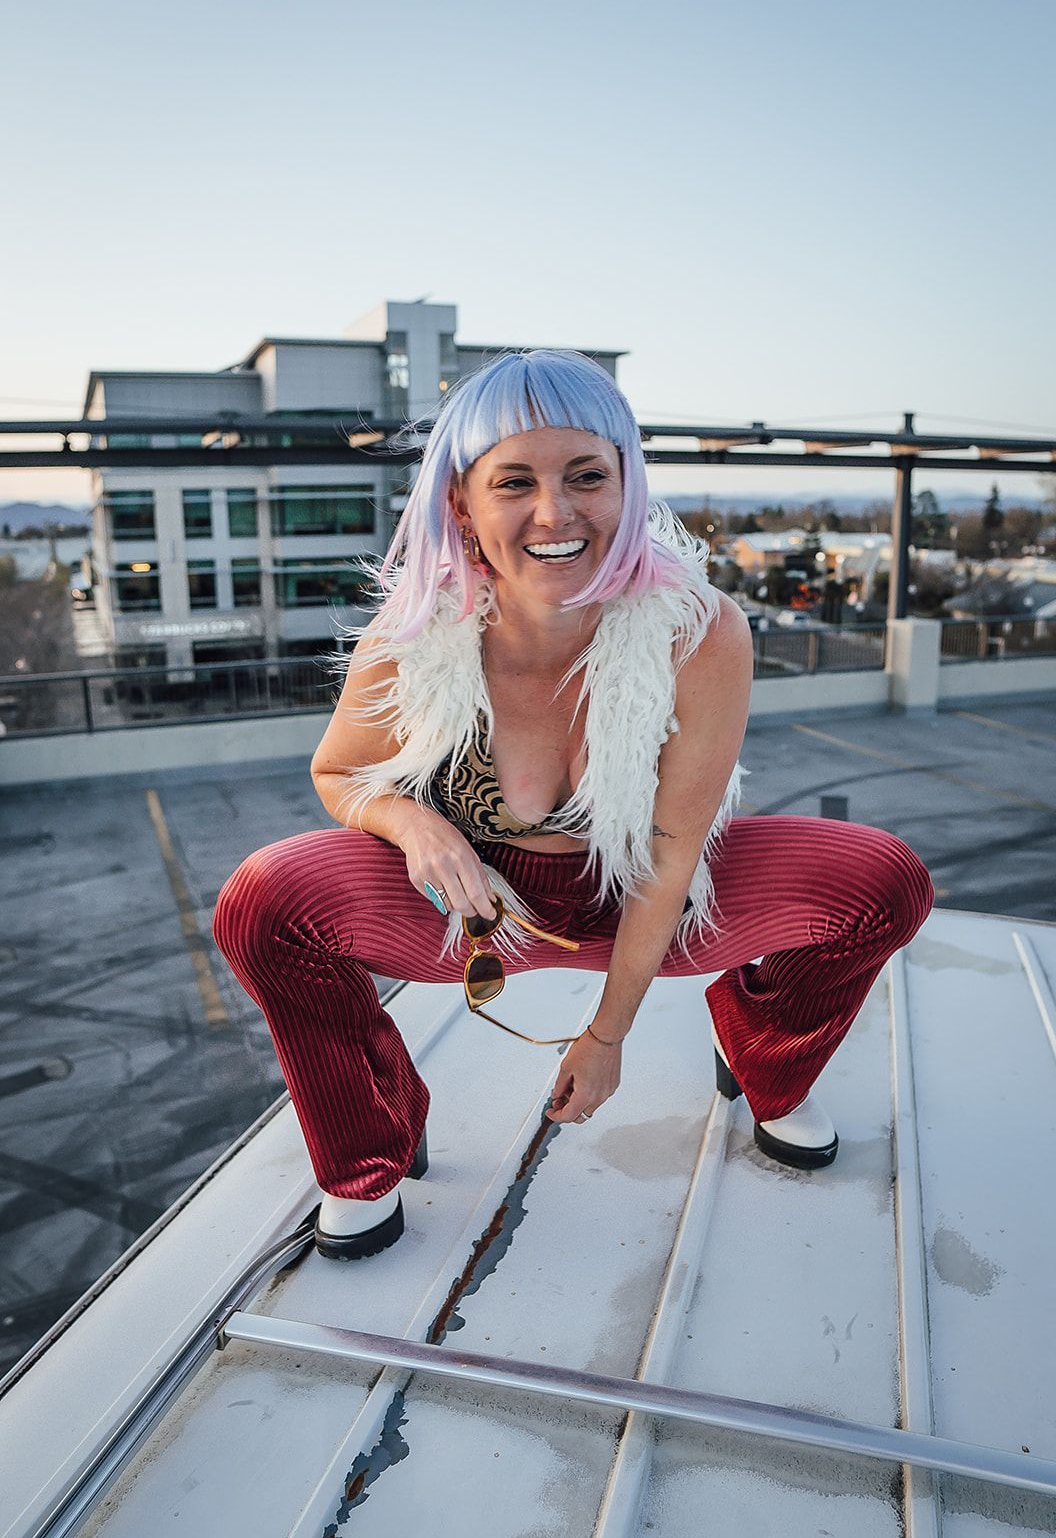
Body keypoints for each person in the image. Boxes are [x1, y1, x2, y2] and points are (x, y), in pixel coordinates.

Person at [212, 349, 935, 1262]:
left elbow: (672, 858)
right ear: (462, 505)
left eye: (585, 476)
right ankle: (372, 1137)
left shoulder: (698, 631)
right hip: (480, 910)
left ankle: (763, 1055)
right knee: (265, 902)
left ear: (627, 488)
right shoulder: (413, 633)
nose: (554, 513)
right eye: (514, 481)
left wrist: (607, 1036)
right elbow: (340, 772)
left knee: (882, 881)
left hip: (648, 896)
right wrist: (415, 824)